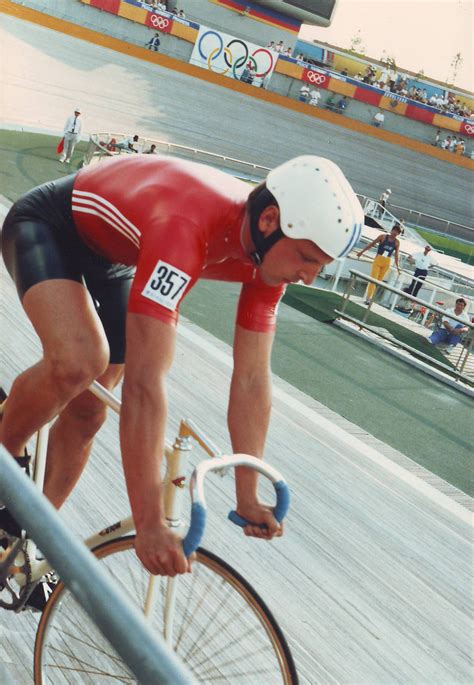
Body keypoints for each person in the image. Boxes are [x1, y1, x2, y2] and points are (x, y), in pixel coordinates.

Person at [0, 155, 363, 601]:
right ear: (270, 220)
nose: (309, 276)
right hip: (47, 224)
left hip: (115, 257)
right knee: (81, 360)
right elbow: (145, 387)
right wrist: (149, 522)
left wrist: (248, 492)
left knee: (91, 409)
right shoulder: (187, 226)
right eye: (308, 258)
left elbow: (251, 379)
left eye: (320, 266)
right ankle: (5, 459)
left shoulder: (269, 260)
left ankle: (23, 542)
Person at [356, 225, 402, 304]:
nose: (395, 233)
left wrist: (398, 267)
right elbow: (371, 244)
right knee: (373, 279)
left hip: (387, 261)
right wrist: (361, 252)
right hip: (378, 259)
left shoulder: (397, 242)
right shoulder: (383, 237)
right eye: (394, 231)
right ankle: (368, 297)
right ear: (391, 230)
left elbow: (396, 255)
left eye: (397, 232)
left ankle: (371, 297)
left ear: (398, 234)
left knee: (378, 281)